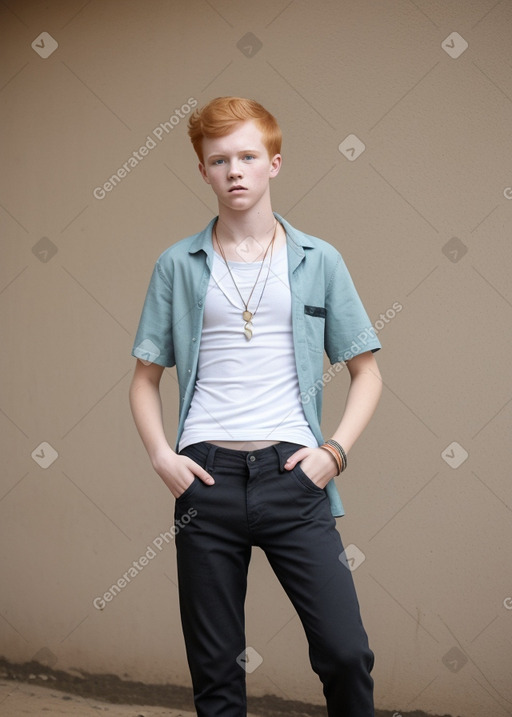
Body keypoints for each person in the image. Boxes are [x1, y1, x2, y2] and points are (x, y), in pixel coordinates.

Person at [129, 96, 382, 717]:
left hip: (295, 477)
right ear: (204, 172)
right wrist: (164, 458)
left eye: (247, 156)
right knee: (216, 679)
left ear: (274, 163)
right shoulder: (176, 265)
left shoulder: (319, 260)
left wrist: (334, 454)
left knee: (346, 654)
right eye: (219, 160)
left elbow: (367, 373)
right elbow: (143, 378)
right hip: (206, 480)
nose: (234, 170)